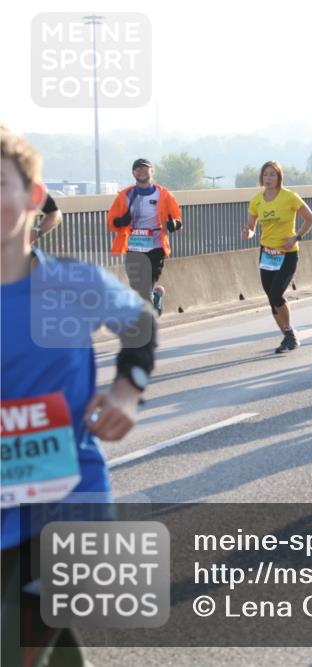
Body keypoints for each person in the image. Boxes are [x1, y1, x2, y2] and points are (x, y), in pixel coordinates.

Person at [2, 128, 157, 667]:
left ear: (34, 196)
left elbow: (139, 321)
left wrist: (126, 391)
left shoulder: (70, 283)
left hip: (68, 503)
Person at [242, 161, 312, 353]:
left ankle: (290, 334)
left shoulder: (289, 197)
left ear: (279, 178)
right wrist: (247, 233)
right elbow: (251, 228)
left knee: (276, 294)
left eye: (272, 175)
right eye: (265, 175)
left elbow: (310, 219)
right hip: (267, 253)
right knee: (271, 297)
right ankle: (288, 335)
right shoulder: (256, 200)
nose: (268, 178)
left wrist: (296, 237)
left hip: (287, 253)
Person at [106, 158, 183, 316]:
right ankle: (155, 296)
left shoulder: (164, 194)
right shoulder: (125, 195)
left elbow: (177, 219)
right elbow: (111, 221)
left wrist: (174, 224)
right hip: (133, 244)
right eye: (137, 169)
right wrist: (120, 221)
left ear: (152, 171)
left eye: (144, 168)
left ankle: (152, 300)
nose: (141, 171)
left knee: (146, 285)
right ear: (133, 173)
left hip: (156, 245)